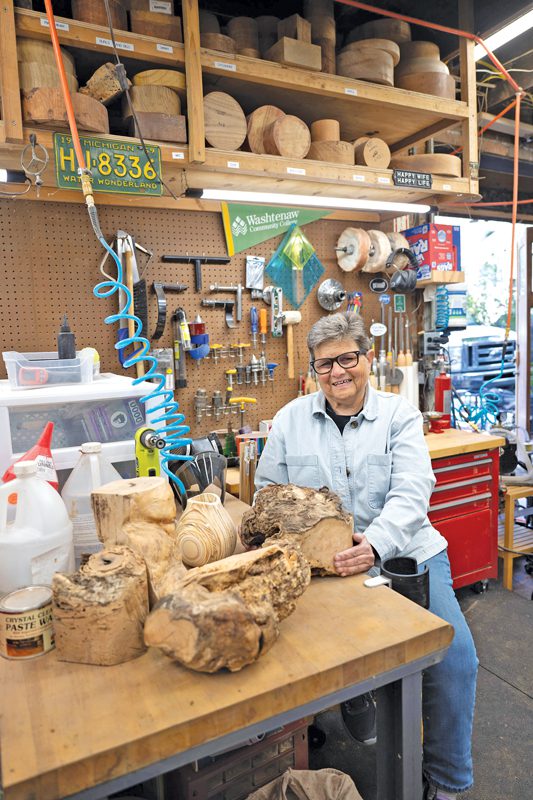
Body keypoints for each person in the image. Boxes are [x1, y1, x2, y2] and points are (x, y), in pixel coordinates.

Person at [254, 312, 478, 800]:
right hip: (326, 566)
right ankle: (357, 699)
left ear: (368, 359)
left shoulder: (400, 415)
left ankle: (445, 781)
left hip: (406, 551)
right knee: (312, 654)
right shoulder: (290, 421)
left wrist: (375, 543)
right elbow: (267, 491)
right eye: (325, 363)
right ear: (314, 369)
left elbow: (414, 489)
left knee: (455, 657)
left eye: (347, 359)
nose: (337, 372)